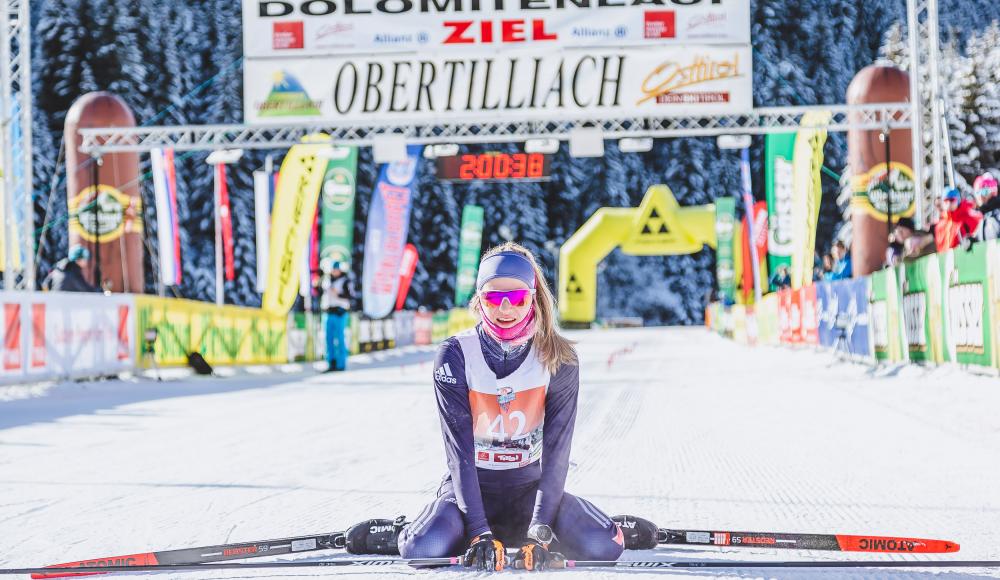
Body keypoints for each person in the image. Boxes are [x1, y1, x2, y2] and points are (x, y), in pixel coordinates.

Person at [345, 242, 624, 571]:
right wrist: (477, 529)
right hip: (469, 494)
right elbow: (459, 451)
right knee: (424, 550)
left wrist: (539, 532)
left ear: (532, 298)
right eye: (493, 297)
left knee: (602, 546)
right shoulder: (455, 354)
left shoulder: (559, 358)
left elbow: (557, 452)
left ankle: (565, 527)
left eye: (517, 297)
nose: (505, 308)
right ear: (479, 299)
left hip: (530, 491)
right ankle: (404, 532)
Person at [320, 261, 353, 372]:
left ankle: (341, 364)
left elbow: (350, 295)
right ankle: (331, 363)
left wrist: (338, 294)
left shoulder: (345, 281)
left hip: (340, 312)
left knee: (339, 338)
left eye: (336, 269)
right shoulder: (327, 280)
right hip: (329, 312)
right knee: (328, 339)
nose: (335, 272)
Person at [934, 187, 982, 251]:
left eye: (951, 200)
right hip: (948, 259)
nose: (948, 203)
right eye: (946, 200)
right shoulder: (940, 226)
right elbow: (940, 249)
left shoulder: (972, 217)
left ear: (958, 200)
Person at [973, 173, 1000, 241]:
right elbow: (979, 239)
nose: (981, 196)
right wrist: (971, 240)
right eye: (978, 192)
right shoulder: (984, 218)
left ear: (993, 192)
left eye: (985, 191)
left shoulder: (996, 215)